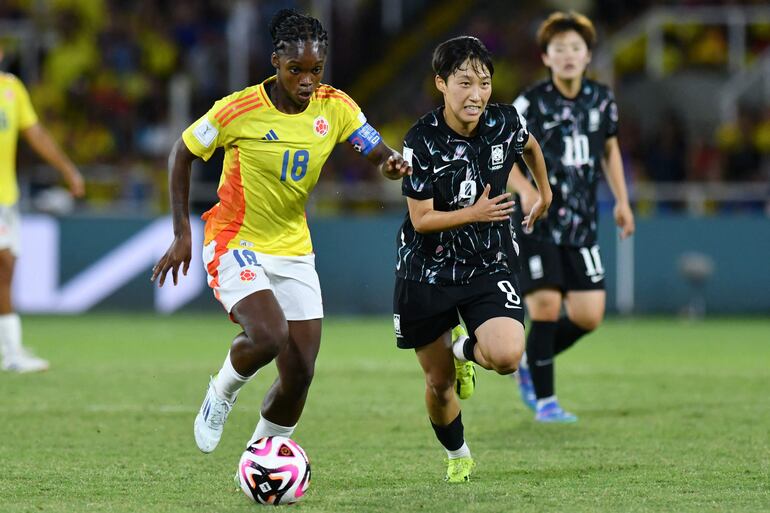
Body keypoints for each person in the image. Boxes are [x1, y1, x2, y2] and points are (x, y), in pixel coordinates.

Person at [151, 9, 410, 455]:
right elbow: (182, 152)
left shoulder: (337, 107)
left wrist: (393, 164)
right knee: (269, 336)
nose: (307, 80)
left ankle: (261, 459)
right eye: (296, 70)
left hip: (294, 247)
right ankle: (222, 392)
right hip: (236, 239)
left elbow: (379, 155)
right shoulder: (239, 109)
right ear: (275, 61)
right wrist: (182, 231)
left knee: (301, 372)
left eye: (315, 70)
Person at [393, 36, 551, 483]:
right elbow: (421, 220)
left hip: (489, 261)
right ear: (441, 84)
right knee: (439, 383)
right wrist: (475, 213)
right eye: (464, 82)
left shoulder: (505, 122)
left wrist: (544, 189)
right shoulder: (420, 140)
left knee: (506, 357)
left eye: (484, 82)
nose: (476, 94)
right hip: (427, 269)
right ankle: (458, 453)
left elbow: (531, 146)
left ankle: (465, 348)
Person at [508, 11, 635, 422]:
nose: (567, 55)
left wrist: (622, 200)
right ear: (546, 57)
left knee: (588, 315)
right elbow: (500, 152)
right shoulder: (530, 102)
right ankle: (546, 403)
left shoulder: (602, 99)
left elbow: (610, 149)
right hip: (538, 220)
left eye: (575, 49)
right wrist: (526, 190)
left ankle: (529, 359)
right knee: (544, 306)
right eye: (558, 49)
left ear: (587, 56)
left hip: (582, 225)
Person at [0, 50, 85, 373]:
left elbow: (34, 132)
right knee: (4, 262)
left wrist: (68, 170)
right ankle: (11, 352)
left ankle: (11, 350)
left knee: (6, 270)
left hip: (7, 197)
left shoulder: (11, 88)